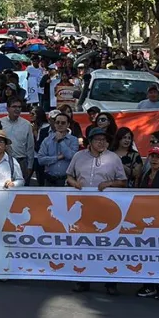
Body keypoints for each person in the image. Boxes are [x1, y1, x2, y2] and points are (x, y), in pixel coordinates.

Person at [67, 127, 126, 296]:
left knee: (107, 244)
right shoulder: (79, 156)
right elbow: (69, 175)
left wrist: (109, 184)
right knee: (84, 244)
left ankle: (110, 282)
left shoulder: (113, 158)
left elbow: (123, 181)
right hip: (83, 207)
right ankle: (82, 280)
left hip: (106, 206)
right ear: (90, 142)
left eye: (104, 140)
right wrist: (74, 183)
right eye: (98, 140)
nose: (102, 143)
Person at [36, 110, 79, 186]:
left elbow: (71, 156)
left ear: (68, 124)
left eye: (63, 123)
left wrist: (61, 141)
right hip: (49, 179)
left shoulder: (74, 140)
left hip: (67, 180)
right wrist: (58, 157)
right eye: (57, 122)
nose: (60, 125)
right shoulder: (47, 140)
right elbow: (40, 160)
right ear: (54, 124)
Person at [2, 99, 36, 183]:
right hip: (4, 162)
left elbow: (30, 146)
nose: (17, 109)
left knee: (23, 192)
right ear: (7, 108)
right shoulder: (0, 123)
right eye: (14, 106)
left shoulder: (27, 124)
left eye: (19, 107)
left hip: (21, 162)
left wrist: (30, 166)